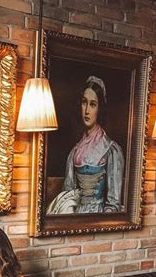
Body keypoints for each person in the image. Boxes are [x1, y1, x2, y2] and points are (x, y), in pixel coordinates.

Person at [47, 76, 124, 215]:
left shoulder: (111, 150)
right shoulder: (74, 152)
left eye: (93, 104)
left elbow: (113, 203)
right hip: (75, 217)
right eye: (84, 102)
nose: (87, 110)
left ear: (100, 108)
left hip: (99, 217)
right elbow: (68, 196)